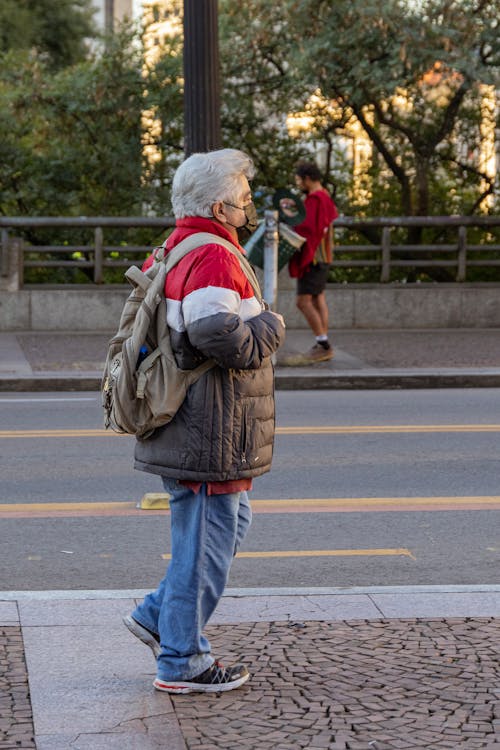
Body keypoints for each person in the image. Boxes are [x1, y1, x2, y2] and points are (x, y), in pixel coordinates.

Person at [123, 149, 285, 694]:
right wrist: (270, 327)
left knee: (225, 528)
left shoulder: (178, 244)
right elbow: (216, 333)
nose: (247, 207)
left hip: (202, 422)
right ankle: (183, 659)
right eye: (242, 199)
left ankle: (155, 614)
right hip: (209, 424)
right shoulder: (213, 255)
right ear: (219, 206)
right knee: (206, 542)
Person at [288, 160, 338, 362]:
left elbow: (307, 229)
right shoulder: (324, 196)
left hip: (314, 258)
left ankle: (323, 344)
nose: (299, 184)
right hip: (325, 256)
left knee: (303, 302)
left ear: (307, 179)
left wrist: (289, 219)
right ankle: (322, 342)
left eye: (299, 180)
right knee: (318, 299)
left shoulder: (315, 199)